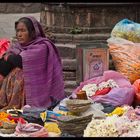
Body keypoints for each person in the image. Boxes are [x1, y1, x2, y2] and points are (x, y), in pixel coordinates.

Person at [0, 16, 65, 110]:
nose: (19, 34)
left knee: (21, 73)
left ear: (33, 32)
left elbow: (20, 61)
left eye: (23, 31)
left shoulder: (42, 47)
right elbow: (4, 66)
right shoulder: (17, 47)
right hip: (14, 93)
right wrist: (8, 58)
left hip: (37, 91)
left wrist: (8, 57)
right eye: (18, 31)